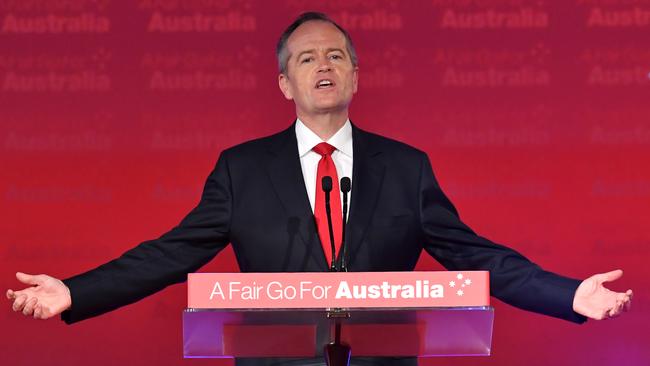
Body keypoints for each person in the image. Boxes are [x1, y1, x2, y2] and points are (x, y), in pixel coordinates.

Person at [7, 11, 632, 366]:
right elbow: (170, 254)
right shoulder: (240, 169)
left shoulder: (406, 167)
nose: (323, 66)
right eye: (306, 59)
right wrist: (74, 292)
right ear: (285, 85)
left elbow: (474, 254)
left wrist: (571, 295)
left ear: (356, 77)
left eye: (336, 56)